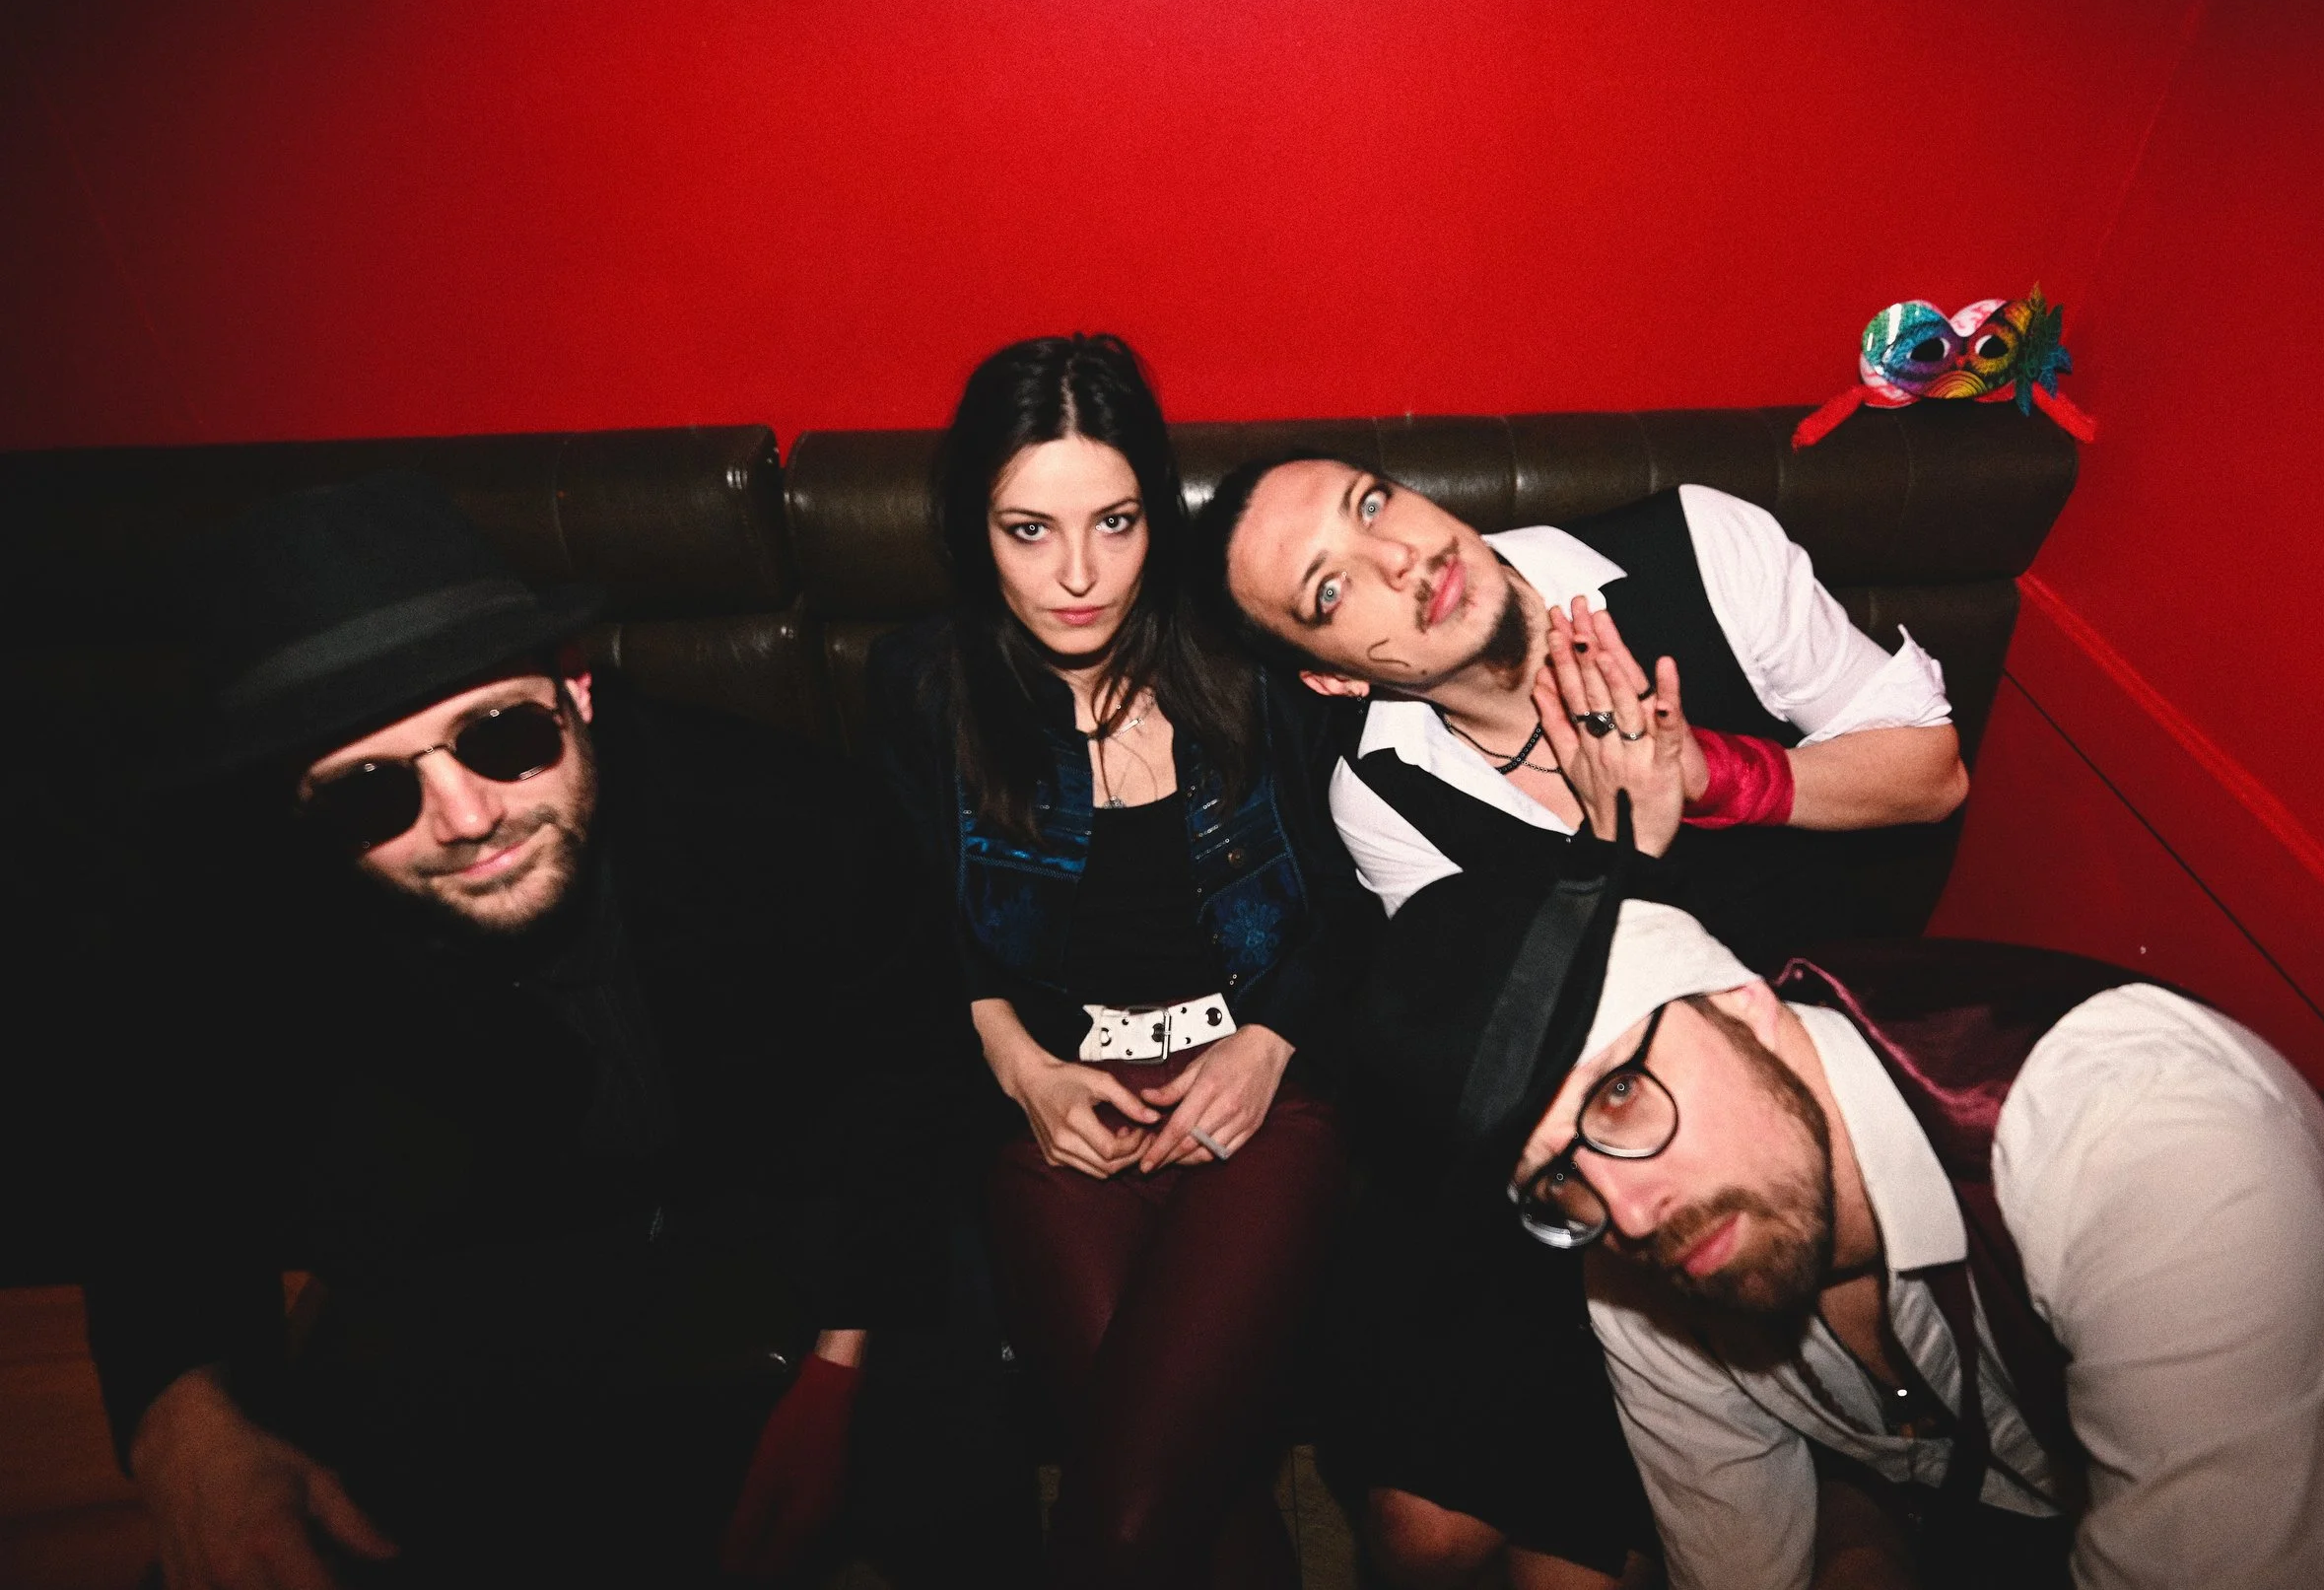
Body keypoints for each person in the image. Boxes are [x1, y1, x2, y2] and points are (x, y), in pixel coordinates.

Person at [84, 472, 1039, 1589]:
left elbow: (905, 1092)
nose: (467, 816)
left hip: (805, 1235)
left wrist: (840, 1371)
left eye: (501, 735)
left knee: (949, 1481)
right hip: (488, 1289)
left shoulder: (787, 818)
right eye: (371, 790)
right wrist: (181, 1416)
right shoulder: (250, 911)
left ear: (575, 688)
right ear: (301, 809)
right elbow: (159, 1151)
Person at [1344, 633, 2324, 1589]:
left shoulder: (2143, 1140)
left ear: (1744, 1003)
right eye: (1556, 1179)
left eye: (1619, 1091)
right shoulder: (1640, 1258)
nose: (1624, 1206)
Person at [1188, 455, 1968, 1588]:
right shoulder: (1383, 792)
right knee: (1421, 1535)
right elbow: (1517, 1056)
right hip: (1590, 1148)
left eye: (1371, 504)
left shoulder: (1697, 550)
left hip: (1812, 1090)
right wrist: (1620, 852)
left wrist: (1717, 776)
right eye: (1330, 588)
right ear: (1332, 676)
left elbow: (1930, 773)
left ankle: (1855, 1486)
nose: (1399, 557)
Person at [867, 335, 1378, 1589]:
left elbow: (1356, 892)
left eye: (1114, 522)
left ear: (1158, 512)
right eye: (1028, 530)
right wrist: (1020, 1067)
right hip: (1058, 1106)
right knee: (1174, 1486)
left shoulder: (1250, 662)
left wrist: (1270, 1041)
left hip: (1259, 1096)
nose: (1078, 576)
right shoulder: (925, 682)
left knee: (1135, 1510)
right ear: (974, 528)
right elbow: (910, 919)